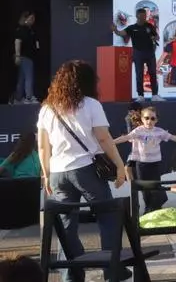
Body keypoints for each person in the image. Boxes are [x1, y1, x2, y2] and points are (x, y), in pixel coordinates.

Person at [36, 60, 128, 282]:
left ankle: (72, 274)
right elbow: (104, 138)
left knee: (66, 224)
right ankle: (112, 269)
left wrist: (46, 174)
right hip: (85, 169)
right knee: (107, 215)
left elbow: (42, 146)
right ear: (87, 81)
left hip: (58, 171)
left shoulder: (47, 108)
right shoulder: (90, 104)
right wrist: (119, 165)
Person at [113, 105, 176, 212]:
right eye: (147, 118)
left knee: (156, 188)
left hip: (155, 165)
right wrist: (110, 142)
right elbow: (125, 138)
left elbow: (174, 137)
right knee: (145, 190)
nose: (149, 121)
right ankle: (148, 209)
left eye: (152, 118)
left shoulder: (159, 131)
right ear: (142, 119)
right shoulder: (138, 131)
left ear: (157, 120)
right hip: (142, 165)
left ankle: (155, 209)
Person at [111, 9, 162, 102]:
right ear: (137, 16)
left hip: (150, 53)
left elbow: (157, 37)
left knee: (153, 73)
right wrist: (115, 30)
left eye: (144, 16)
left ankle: (155, 95)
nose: (143, 18)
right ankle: (140, 96)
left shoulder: (150, 26)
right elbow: (120, 33)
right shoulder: (131, 28)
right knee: (139, 74)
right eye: (141, 16)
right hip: (138, 53)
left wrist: (154, 37)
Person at [11, 11, 39, 104]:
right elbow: (17, 42)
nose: (33, 20)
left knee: (22, 78)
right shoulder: (21, 29)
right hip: (25, 57)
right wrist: (18, 56)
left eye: (34, 18)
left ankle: (17, 98)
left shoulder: (30, 30)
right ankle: (29, 97)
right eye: (31, 18)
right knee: (28, 77)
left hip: (29, 57)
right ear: (25, 19)